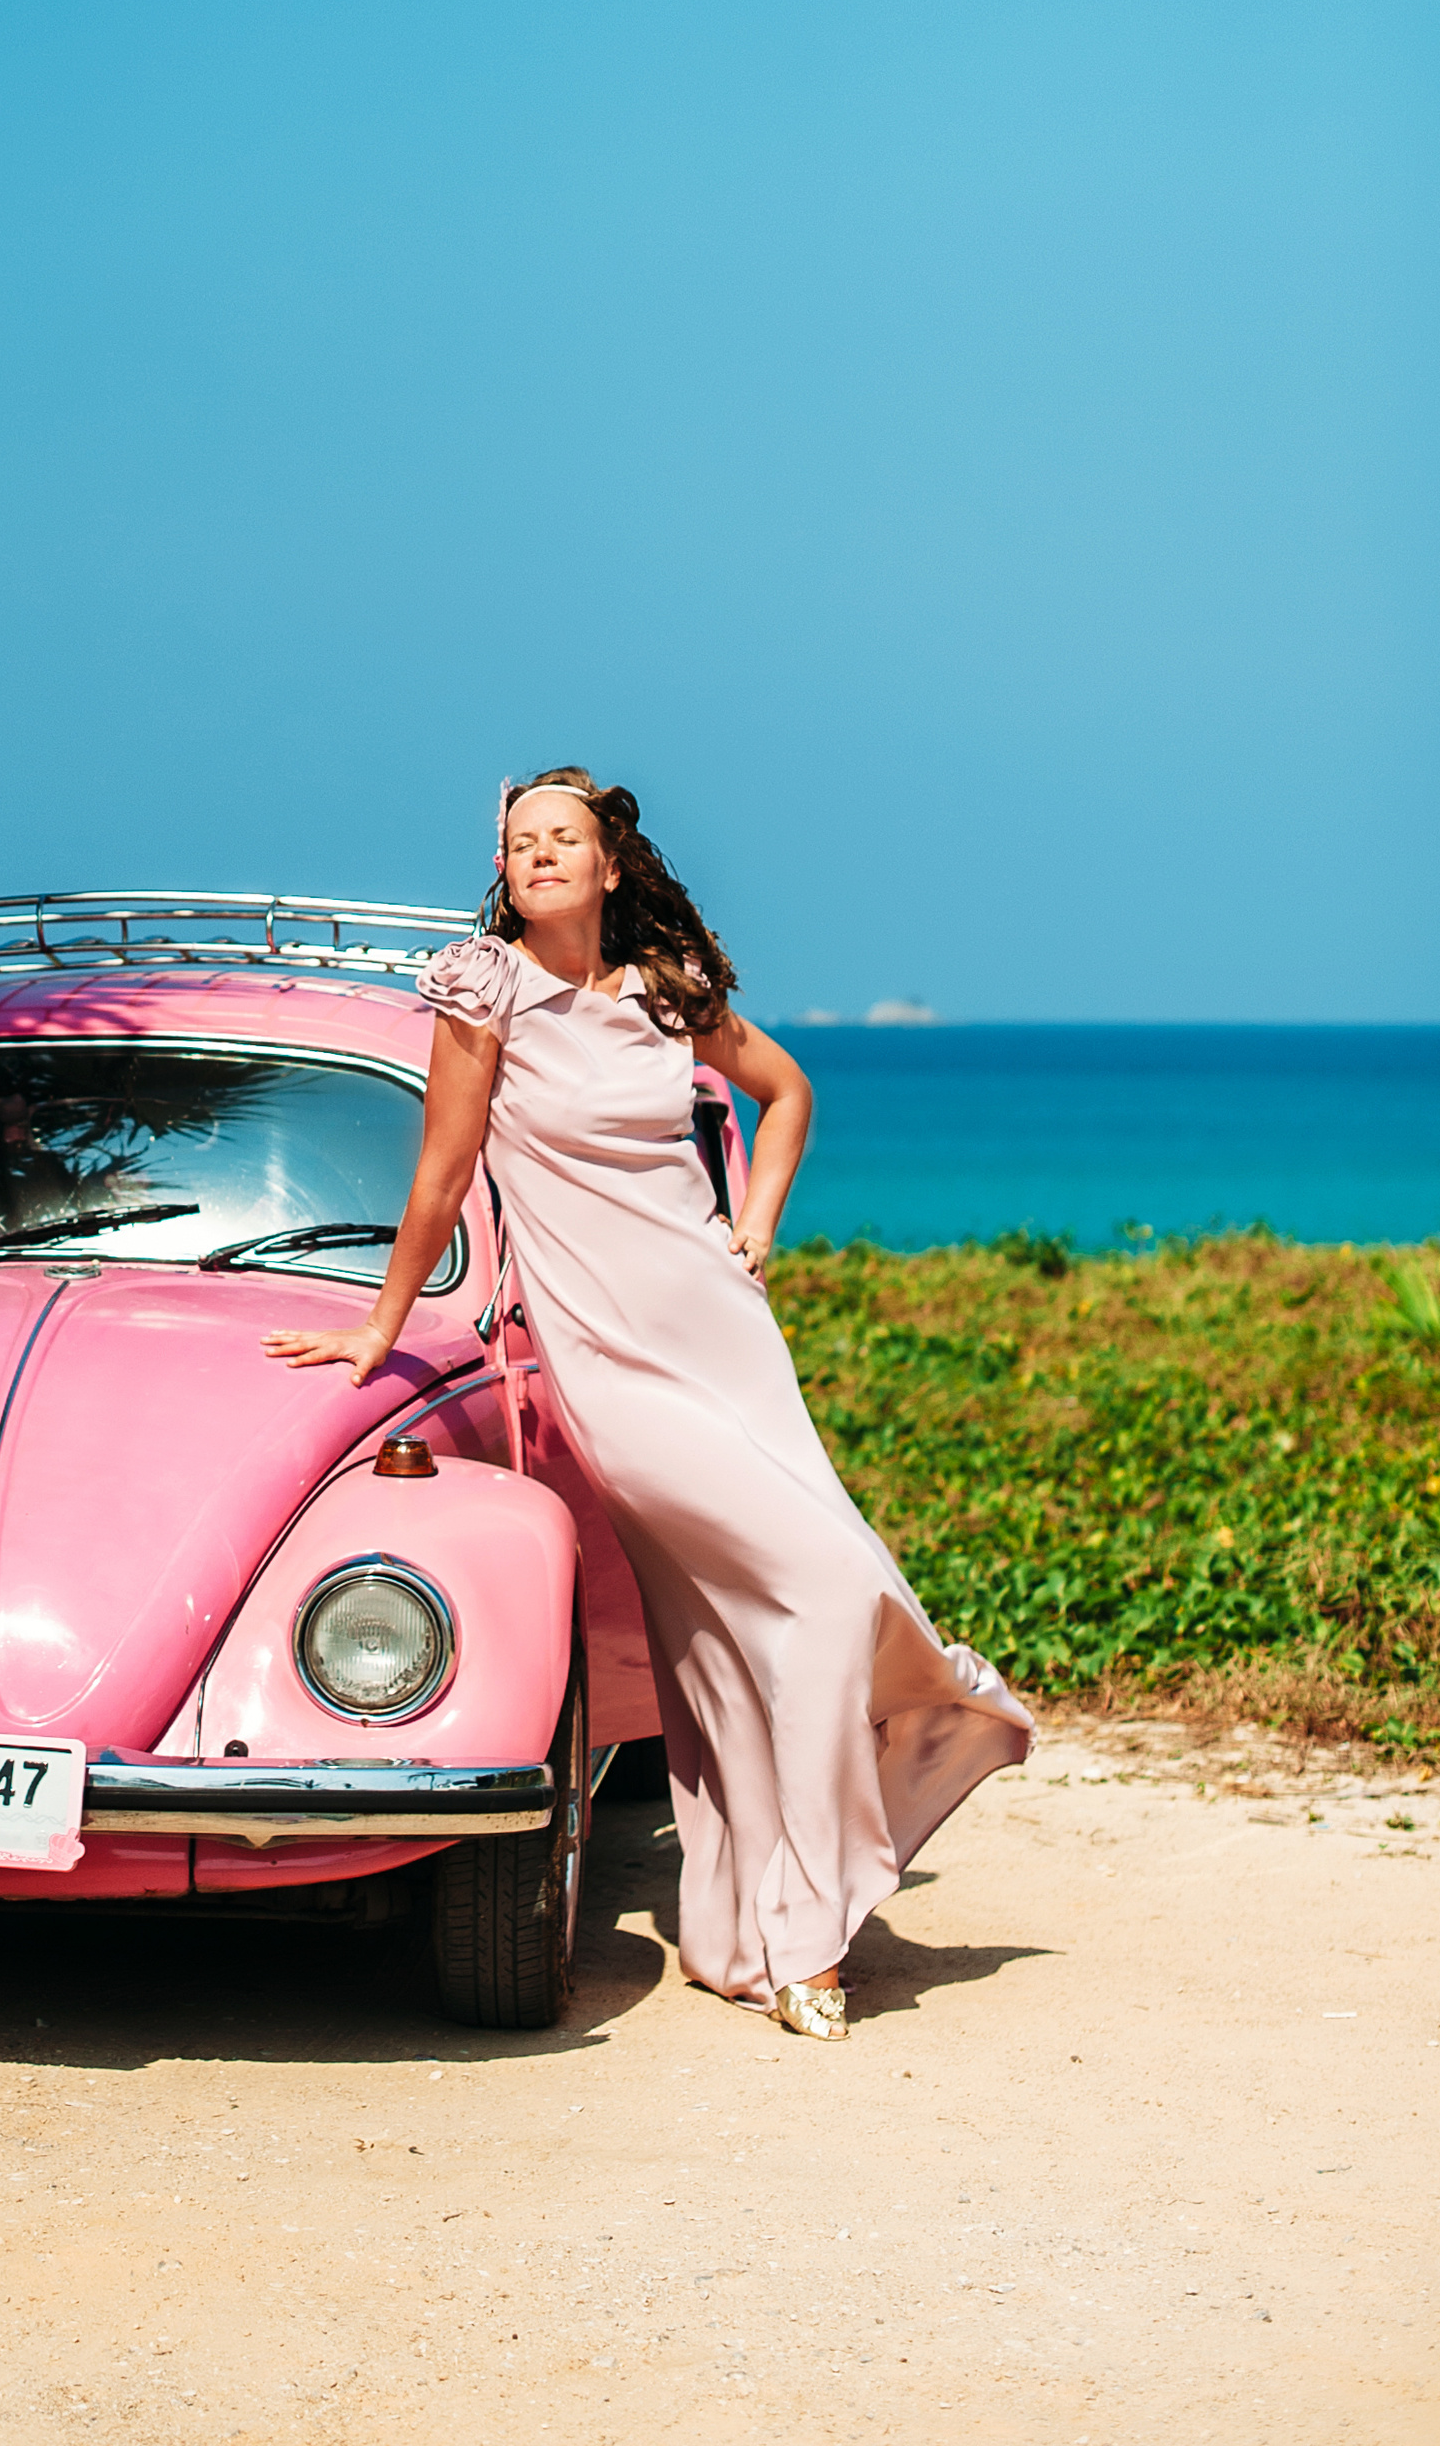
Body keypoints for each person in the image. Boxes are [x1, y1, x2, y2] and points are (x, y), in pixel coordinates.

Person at [265, 766, 1030, 2039]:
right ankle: (804, 1925)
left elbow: (785, 1096)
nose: (537, 856)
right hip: (611, 1361)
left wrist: (754, 1227)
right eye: (518, 842)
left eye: (561, 838)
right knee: (816, 1590)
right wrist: (377, 1327)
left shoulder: (668, 992)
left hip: (725, 1342)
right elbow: (440, 1177)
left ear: (610, 864)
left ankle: (769, 1926)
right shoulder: (482, 987)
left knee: (753, 1626)